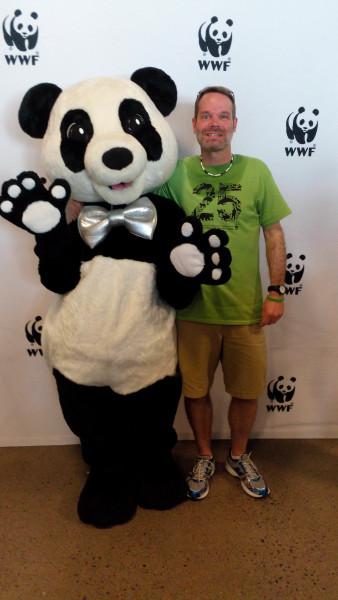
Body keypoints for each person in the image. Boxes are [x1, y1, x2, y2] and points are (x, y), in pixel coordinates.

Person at [155, 86, 291, 501]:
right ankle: (203, 456)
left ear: (234, 124)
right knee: (195, 390)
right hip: (192, 311)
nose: (215, 123)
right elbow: (156, 233)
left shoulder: (257, 171)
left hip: (246, 311)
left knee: (246, 391)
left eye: (223, 115)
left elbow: (274, 234)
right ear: (194, 124)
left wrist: (276, 291)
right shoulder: (174, 174)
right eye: (206, 116)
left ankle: (236, 455)